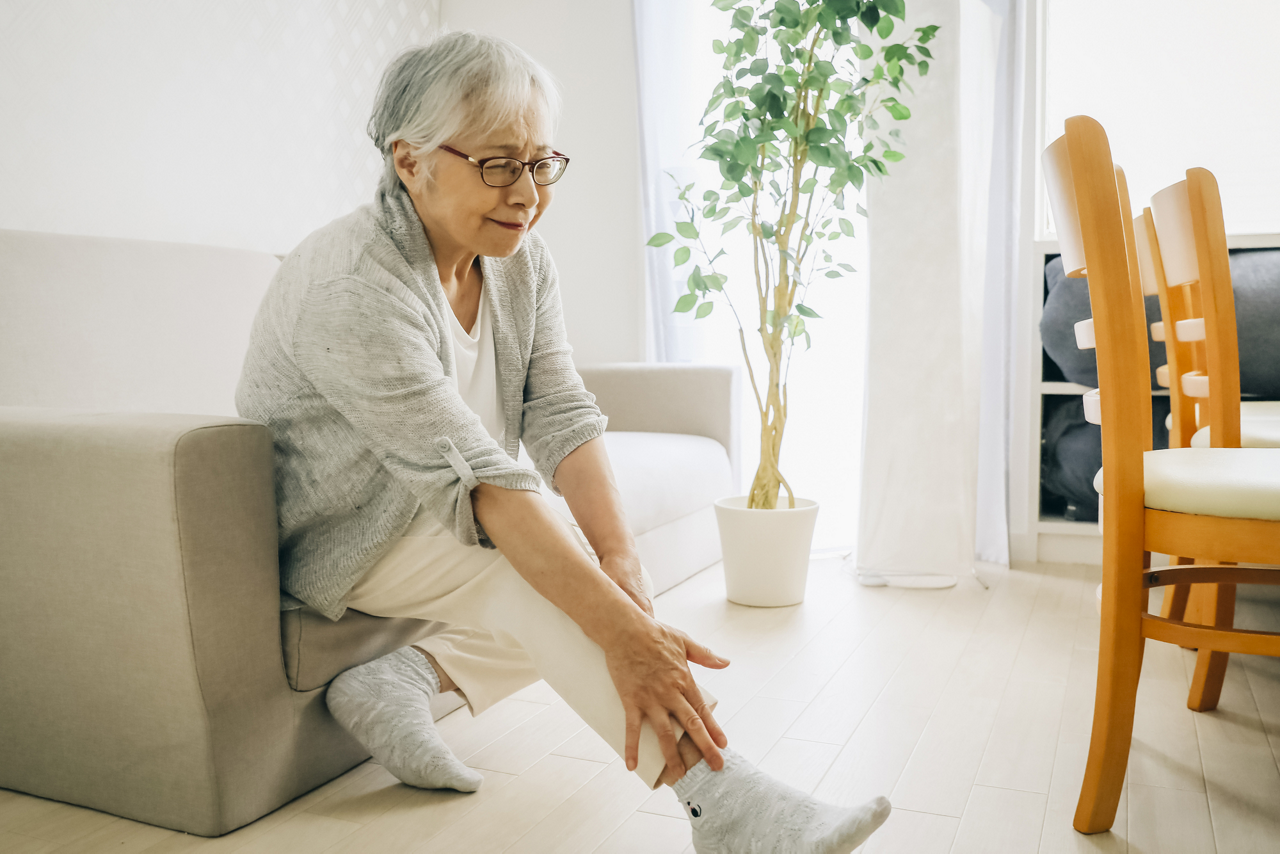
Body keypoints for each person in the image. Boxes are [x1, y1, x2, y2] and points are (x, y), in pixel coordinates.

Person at [236, 30, 890, 853]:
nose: (528, 192)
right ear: (411, 161)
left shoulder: (519, 261)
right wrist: (623, 627)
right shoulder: (352, 286)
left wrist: (621, 564)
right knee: (547, 579)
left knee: (593, 568)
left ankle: (407, 675)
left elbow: (560, 412)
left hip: (444, 507)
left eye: (541, 163)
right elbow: (483, 483)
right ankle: (725, 807)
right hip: (347, 533)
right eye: (499, 164)